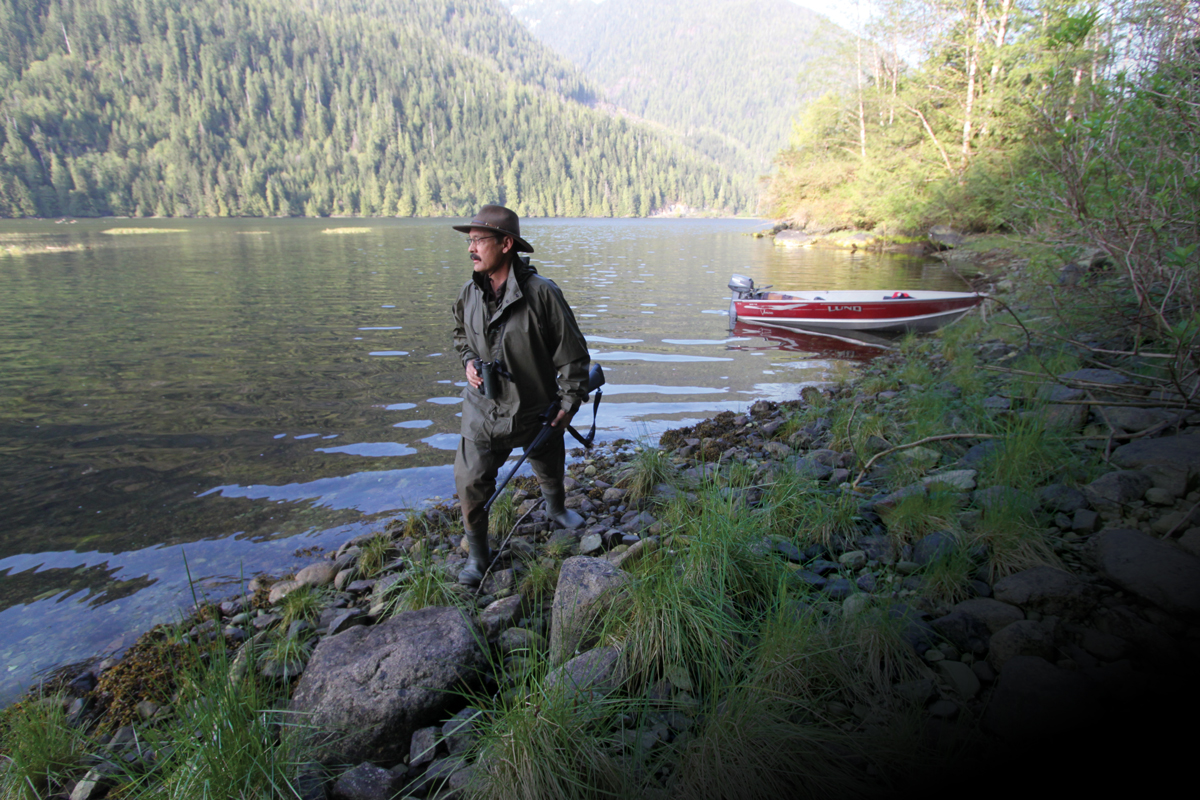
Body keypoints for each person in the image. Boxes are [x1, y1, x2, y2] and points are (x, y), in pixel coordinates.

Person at [451, 205, 591, 586]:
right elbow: (461, 334)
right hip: (482, 410)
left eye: (479, 240)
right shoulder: (468, 293)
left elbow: (574, 358)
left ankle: (557, 508)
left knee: (548, 458)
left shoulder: (543, 295)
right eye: (470, 241)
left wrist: (567, 405)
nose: (471, 249)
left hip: (534, 407)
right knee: (470, 480)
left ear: (506, 244)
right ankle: (479, 556)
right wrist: (467, 360)